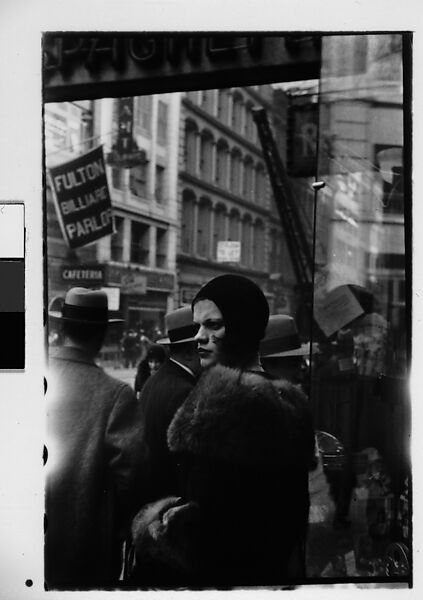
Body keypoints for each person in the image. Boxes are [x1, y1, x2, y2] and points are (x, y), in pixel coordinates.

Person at [130, 275, 315, 588]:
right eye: (198, 326)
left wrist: (155, 528)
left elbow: (212, 531)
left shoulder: (227, 402)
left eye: (213, 325)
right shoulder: (286, 397)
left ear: (242, 328)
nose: (200, 337)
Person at [45, 288, 146, 589]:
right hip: (83, 548)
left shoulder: (29, 374)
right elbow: (133, 476)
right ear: (102, 336)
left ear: (61, 328)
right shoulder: (115, 395)